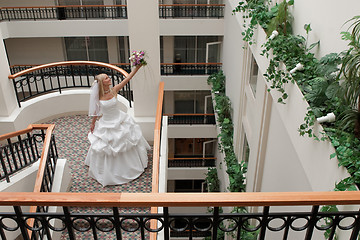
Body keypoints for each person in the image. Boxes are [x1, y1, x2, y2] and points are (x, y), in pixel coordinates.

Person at [85, 64, 150, 187]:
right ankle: (110, 172)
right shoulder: (98, 97)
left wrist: (137, 68)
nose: (109, 79)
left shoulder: (114, 90)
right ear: (101, 82)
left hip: (120, 119)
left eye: (108, 77)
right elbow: (96, 112)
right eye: (106, 78)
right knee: (107, 147)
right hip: (107, 123)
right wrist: (93, 123)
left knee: (127, 142)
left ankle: (130, 168)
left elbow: (127, 79)